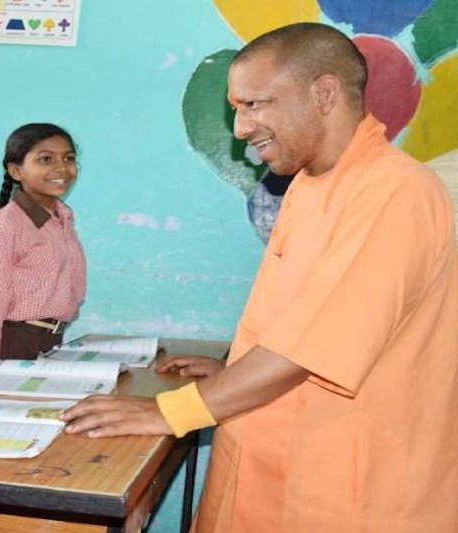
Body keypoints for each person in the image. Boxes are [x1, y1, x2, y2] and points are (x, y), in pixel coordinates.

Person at [61, 22, 458, 532]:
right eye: (236, 109)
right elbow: (301, 317)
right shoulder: (312, 184)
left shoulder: (394, 191)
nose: (241, 128)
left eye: (254, 104)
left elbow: (314, 345)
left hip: (345, 491)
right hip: (275, 462)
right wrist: (235, 370)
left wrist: (170, 412)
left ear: (324, 94)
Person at [0, 123, 86, 379]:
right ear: (16, 171)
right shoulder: (5, 229)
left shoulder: (62, 218)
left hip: (50, 342)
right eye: (45, 159)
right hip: (14, 345)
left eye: (68, 158)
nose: (61, 168)